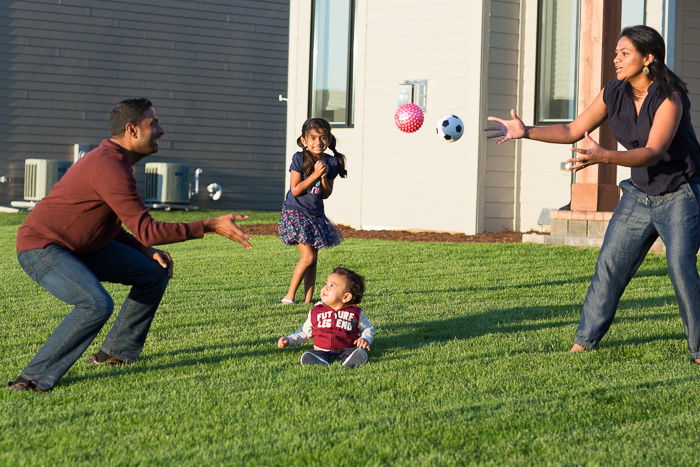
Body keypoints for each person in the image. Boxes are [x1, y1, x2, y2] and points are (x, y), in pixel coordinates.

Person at [7, 98, 254, 392]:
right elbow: (149, 230)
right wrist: (209, 225)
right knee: (95, 304)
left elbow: (112, 224)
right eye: (154, 124)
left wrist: (145, 251)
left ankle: (115, 353)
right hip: (43, 248)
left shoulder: (117, 164)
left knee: (152, 272)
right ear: (132, 130)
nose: (160, 131)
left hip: (86, 247)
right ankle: (30, 379)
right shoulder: (108, 165)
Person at [485, 25, 700, 363]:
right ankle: (584, 342)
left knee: (680, 269)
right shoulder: (613, 92)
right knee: (610, 267)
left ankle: (698, 350)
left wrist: (604, 157)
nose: (616, 59)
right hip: (639, 196)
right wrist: (526, 131)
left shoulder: (670, 96)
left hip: (679, 195)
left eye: (624, 53)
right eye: (615, 52)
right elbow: (573, 129)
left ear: (648, 58)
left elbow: (654, 152)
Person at [278, 118, 347, 304]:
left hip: (315, 215)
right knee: (307, 256)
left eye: (323, 137)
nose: (318, 142)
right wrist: (315, 174)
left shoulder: (331, 162)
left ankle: (308, 300)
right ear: (304, 141)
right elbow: (296, 189)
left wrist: (323, 177)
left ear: (329, 139)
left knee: (313, 258)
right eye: (313, 138)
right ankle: (289, 296)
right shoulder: (299, 158)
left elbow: (325, 194)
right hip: (295, 212)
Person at [277, 267, 374, 367]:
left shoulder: (355, 313)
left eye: (332, 286)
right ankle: (317, 359)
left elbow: (368, 328)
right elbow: (304, 332)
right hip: (321, 349)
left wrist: (365, 339)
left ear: (346, 297)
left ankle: (351, 358)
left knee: (354, 352)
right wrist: (289, 339)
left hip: (347, 347)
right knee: (314, 354)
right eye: (326, 284)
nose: (325, 288)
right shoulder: (316, 311)